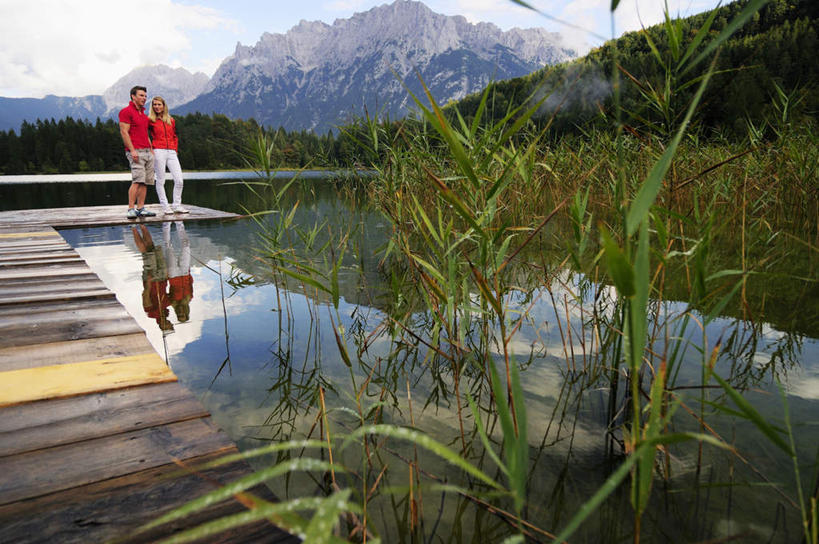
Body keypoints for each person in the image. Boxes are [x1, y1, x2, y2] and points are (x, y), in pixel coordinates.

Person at [119, 86, 156, 219]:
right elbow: (124, 132)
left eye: (145, 96)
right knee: (137, 180)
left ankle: (141, 208)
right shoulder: (126, 111)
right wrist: (132, 150)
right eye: (141, 95)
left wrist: (151, 149)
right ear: (133, 97)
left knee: (145, 182)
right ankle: (130, 209)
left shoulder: (143, 115)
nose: (144, 98)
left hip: (147, 151)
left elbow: (145, 134)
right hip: (136, 151)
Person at [149, 96, 189, 215]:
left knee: (179, 180)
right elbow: (144, 134)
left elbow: (174, 136)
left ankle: (176, 205)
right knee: (160, 180)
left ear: (164, 106)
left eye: (159, 104)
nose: (156, 106)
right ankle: (165, 206)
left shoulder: (171, 120)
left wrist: (175, 149)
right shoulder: (150, 120)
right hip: (158, 151)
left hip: (171, 151)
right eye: (154, 105)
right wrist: (151, 148)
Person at [132, 224, 173, 333]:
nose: (170, 324)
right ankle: (142, 225)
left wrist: (148, 283)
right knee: (153, 248)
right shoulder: (166, 310)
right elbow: (167, 292)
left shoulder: (152, 313)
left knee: (146, 253)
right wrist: (167, 277)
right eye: (170, 325)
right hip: (163, 278)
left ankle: (133, 228)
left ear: (162, 326)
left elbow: (145, 296)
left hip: (152, 280)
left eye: (168, 326)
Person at [164, 221, 193, 323]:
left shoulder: (172, 302)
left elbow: (163, 292)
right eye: (183, 314)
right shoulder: (189, 298)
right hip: (185, 273)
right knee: (186, 246)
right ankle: (179, 223)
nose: (180, 313)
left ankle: (166, 225)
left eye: (179, 315)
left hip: (173, 275)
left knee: (168, 247)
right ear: (186, 312)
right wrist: (189, 273)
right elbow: (191, 283)